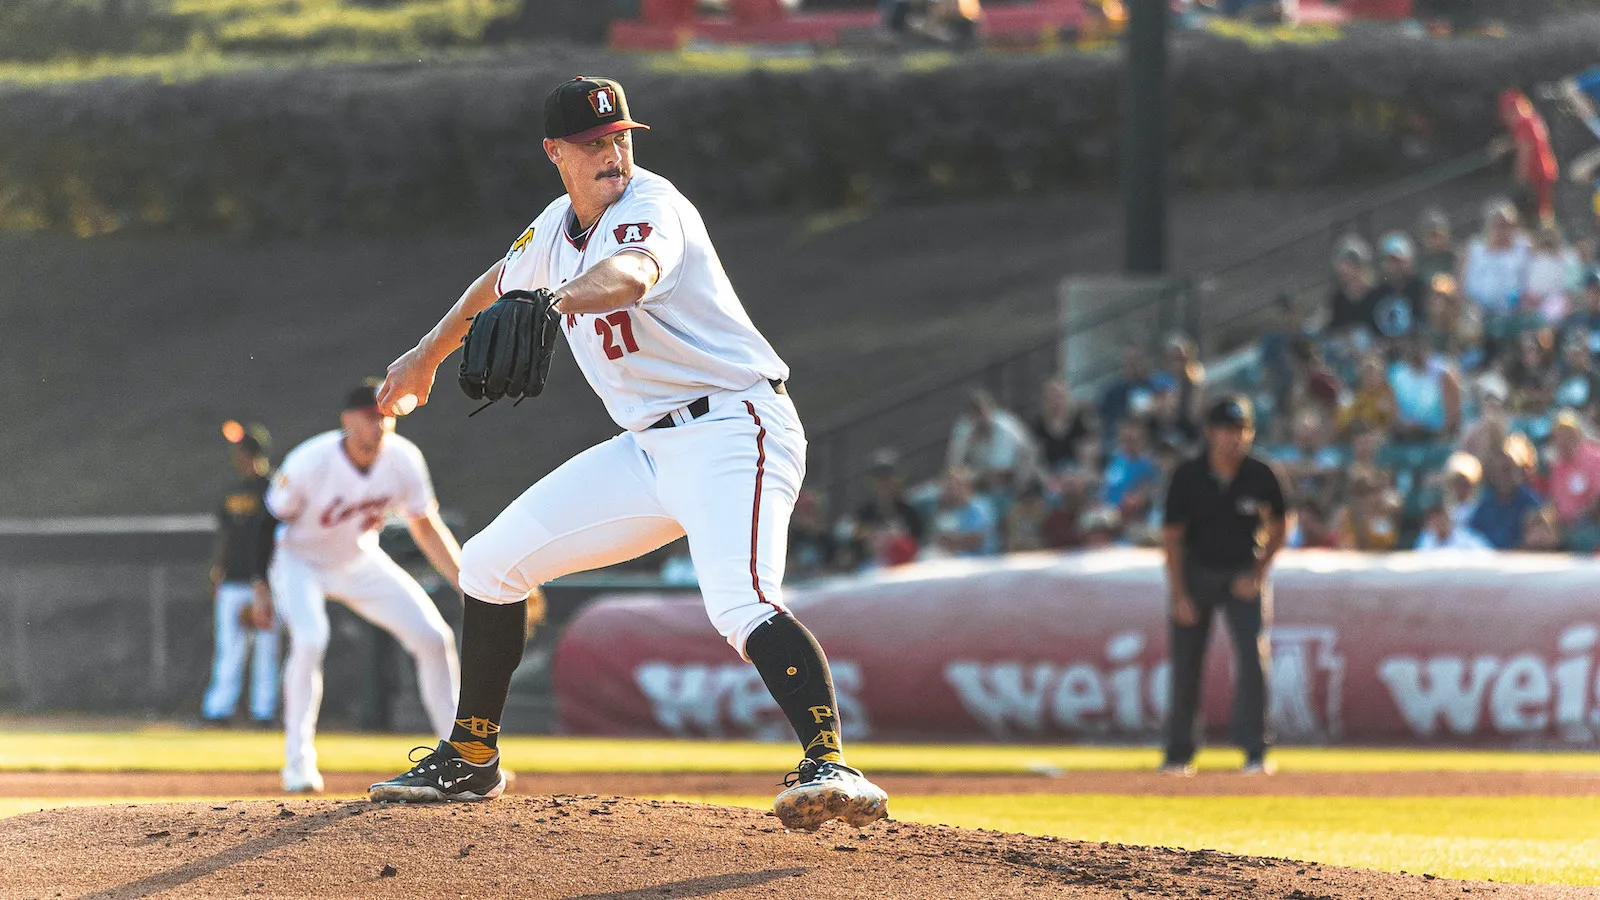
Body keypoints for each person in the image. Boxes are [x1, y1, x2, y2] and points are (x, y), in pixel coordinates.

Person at [366, 77, 887, 831]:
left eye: (620, 137)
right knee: (487, 564)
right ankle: (471, 758)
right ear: (555, 153)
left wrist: (556, 301)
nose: (612, 152)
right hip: (648, 449)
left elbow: (630, 276)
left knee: (739, 602)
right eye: (592, 143)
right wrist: (424, 355)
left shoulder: (653, 207)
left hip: (737, 427)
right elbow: (494, 284)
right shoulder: (553, 227)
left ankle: (831, 760)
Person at [261, 382, 465, 792]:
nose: (381, 422)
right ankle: (298, 764)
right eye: (372, 414)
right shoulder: (311, 459)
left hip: (358, 560)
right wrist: (259, 586)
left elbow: (425, 526)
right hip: (298, 561)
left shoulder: (403, 459)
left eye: (388, 414)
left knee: (433, 636)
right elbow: (265, 522)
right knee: (311, 639)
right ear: (348, 419)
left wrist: (467, 584)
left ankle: (464, 757)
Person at [1160, 397, 1289, 776]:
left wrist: (1259, 572)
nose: (1234, 439)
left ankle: (1255, 751)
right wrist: (1180, 594)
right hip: (1197, 571)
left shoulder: (1262, 473)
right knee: (1186, 663)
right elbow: (1171, 539)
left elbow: (1282, 525)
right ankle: (1179, 752)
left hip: (1241, 571)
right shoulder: (1188, 475)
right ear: (1209, 433)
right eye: (1226, 430)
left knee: (1252, 658)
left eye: (1241, 431)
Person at [199, 421, 280, 728]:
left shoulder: (273, 489)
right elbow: (225, 535)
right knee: (229, 648)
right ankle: (218, 710)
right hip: (232, 580)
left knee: (266, 650)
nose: (240, 457)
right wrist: (217, 569)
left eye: (244, 451)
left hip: (265, 581)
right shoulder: (231, 492)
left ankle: (264, 713)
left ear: (256, 454)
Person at [946, 389, 1039, 493]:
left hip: (1014, 485)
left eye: (981, 412)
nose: (980, 418)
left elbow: (1001, 472)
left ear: (990, 410)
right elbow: (953, 467)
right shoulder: (964, 431)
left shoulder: (1005, 426)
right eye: (974, 414)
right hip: (979, 487)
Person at [1468, 448, 1544, 550]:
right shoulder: (1485, 502)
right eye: (1500, 470)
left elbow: (1539, 536)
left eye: (1509, 469)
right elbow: (1472, 534)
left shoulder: (1529, 502)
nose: (1505, 476)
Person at [1031, 377, 1095, 473]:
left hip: (1075, 474)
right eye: (1052, 397)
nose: (1056, 402)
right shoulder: (1038, 425)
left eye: (1059, 397)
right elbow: (1035, 459)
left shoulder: (1079, 421)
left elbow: (1088, 457)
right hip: (1049, 475)